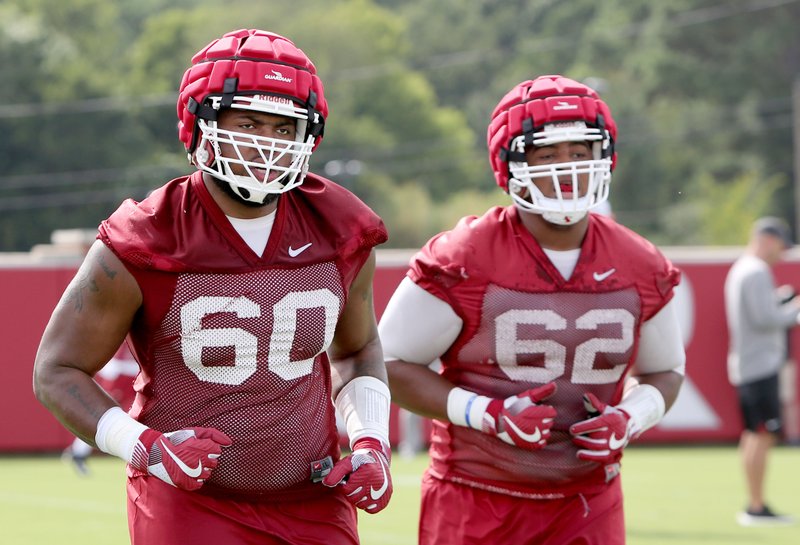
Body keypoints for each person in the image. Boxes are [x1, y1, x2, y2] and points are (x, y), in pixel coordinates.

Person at [33, 28, 392, 545]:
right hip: (188, 500)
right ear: (199, 125)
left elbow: (358, 351)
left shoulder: (340, 227)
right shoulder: (147, 237)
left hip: (312, 496)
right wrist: (148, 447)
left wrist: (370, 440)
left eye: (282, 126)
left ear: (307, 136)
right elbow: (56, 370)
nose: (266, 143)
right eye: (246, 122)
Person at [378, 75, 686, 545]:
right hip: (477, 495)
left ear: (604, 157)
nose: (567, 169)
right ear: (510, 163)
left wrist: (629, 417)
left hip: (588, 501)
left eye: (580, 153)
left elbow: (666, 371)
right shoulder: (464, 256)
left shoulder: (640, 262)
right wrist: (486, 413)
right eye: (547, 155)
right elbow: (390, 363)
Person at [724, 216, 799, 526]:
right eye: (780, 246)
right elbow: (765, 318)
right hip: (760, 365)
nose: (781, 254)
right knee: (762, 435)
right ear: (768, 240)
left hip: (749, 363)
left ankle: (755, 503)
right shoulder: (755, 271)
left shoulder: (743, 269)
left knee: (754, 434)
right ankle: (756, 506)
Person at [62, 343, 138, 475]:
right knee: (105, 414)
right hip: (122, 372)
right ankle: (78, 453)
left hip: (133, 371)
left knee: (131, 413)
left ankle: (78, 452)